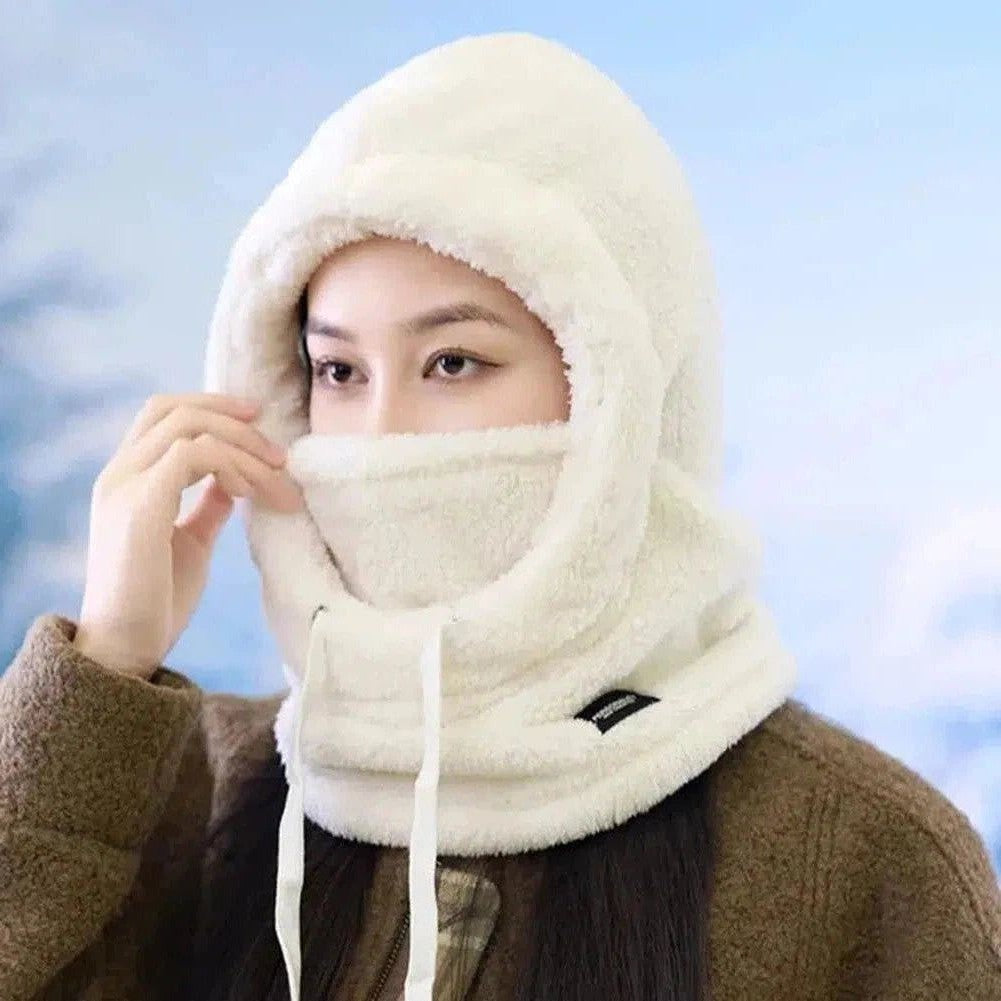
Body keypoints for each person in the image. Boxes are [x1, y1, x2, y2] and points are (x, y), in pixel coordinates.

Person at [2, 29, 999, 1001]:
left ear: (621, 395)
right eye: (338, 370)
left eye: (452, 362)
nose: (381, 436)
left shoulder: (868, 865)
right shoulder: (191, 796)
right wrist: (104, 666)